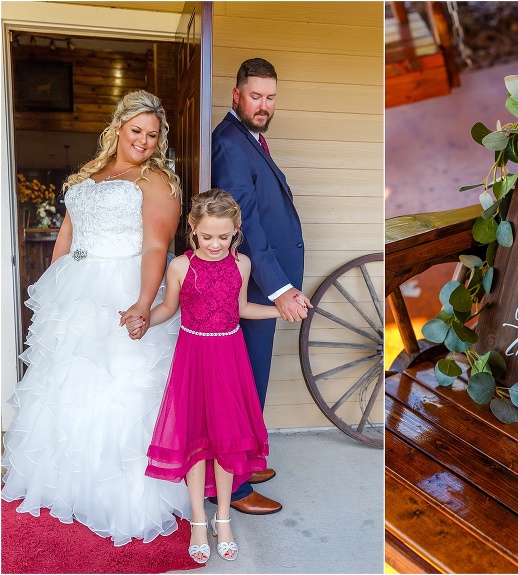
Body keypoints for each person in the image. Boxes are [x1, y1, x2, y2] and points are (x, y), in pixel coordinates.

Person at [1, 90, 191, 545]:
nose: (143, 141)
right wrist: (53, 291)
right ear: (118, 127)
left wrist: (145, 301)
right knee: (66, 386)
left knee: (116, 385)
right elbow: (66, 235)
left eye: (152, 134)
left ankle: (119, 494)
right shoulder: (90, 172)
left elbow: (155, 248)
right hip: (75, 291)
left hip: (121, 288)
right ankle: (66, 483)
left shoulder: (157, 181)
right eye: (136, 131)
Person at [130, 189, 299, 563]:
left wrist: (279, 311)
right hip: (193, 357)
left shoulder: (242, 265)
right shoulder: (180, 267)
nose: (215, 244)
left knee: (226, 440)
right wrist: (145, 320)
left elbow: (239, 309)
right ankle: (198, 522)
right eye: (207, 237)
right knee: (194, 441)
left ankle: (223, 517)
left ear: (236, 229)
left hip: (228, 356)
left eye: (224, 237)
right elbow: (168, 309)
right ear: (192, 229)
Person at [210, 57, 311, 515]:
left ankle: (245, 463)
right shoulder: (230, 144)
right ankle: (232, 490)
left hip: (265, 285)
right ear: (237, 95)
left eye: (270, 97)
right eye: (256, 96)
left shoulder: (250, 139)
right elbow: (243, 220)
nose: (264, 105)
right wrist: (280, 289)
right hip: (254, 287)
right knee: (242, 383)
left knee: (255, 381)